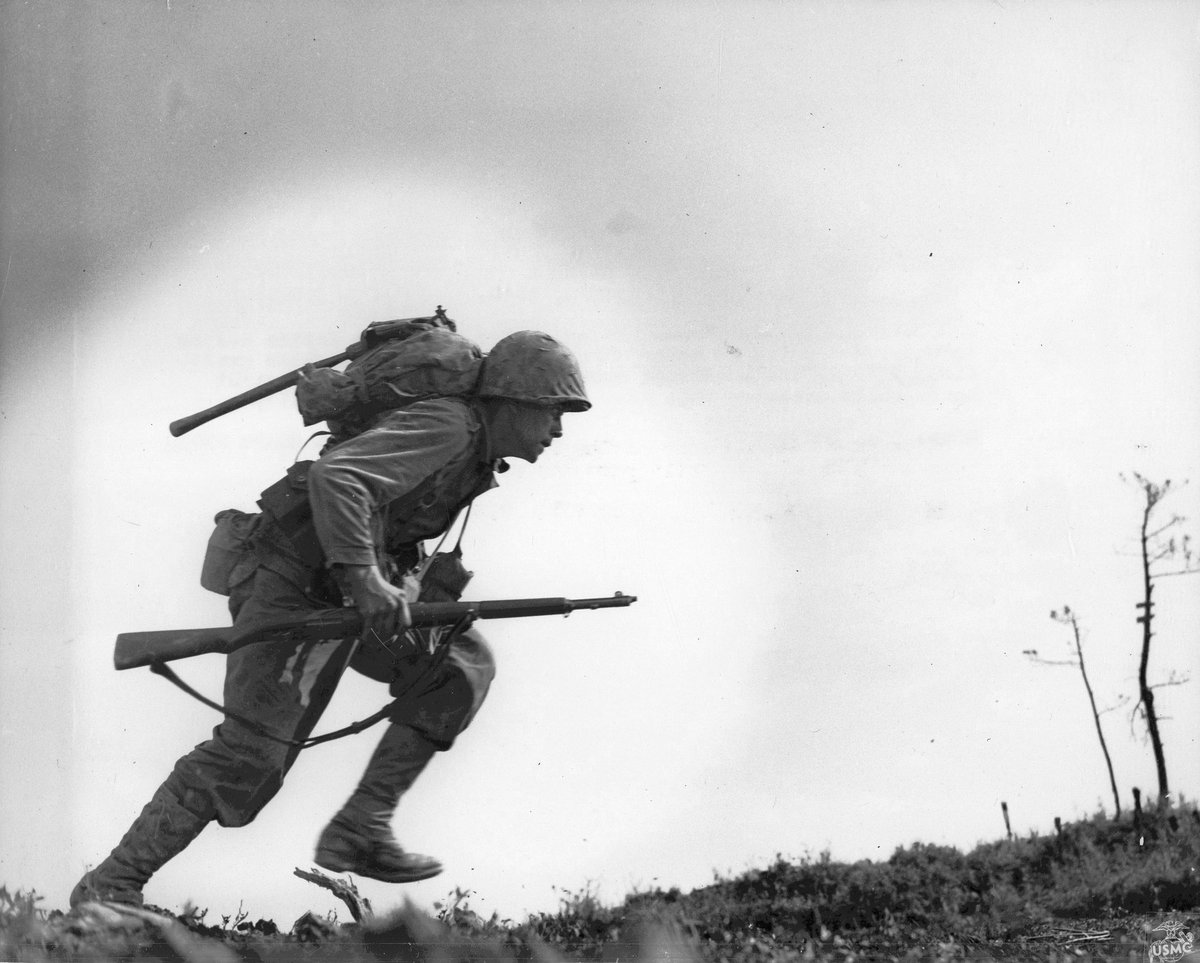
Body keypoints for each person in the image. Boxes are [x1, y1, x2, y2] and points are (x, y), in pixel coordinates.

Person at [71, 329, 590, 908]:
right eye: (553, 412)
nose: (559, 430)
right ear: (515, 399)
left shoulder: (474, 447)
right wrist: (366, 579)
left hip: (344, 589)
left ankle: (361, 826)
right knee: (251, 755)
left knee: (457, 667)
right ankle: (111, 886)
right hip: (290, 579)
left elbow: (381, 511)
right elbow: (338, 477)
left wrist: (395, 583)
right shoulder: (451, 426)